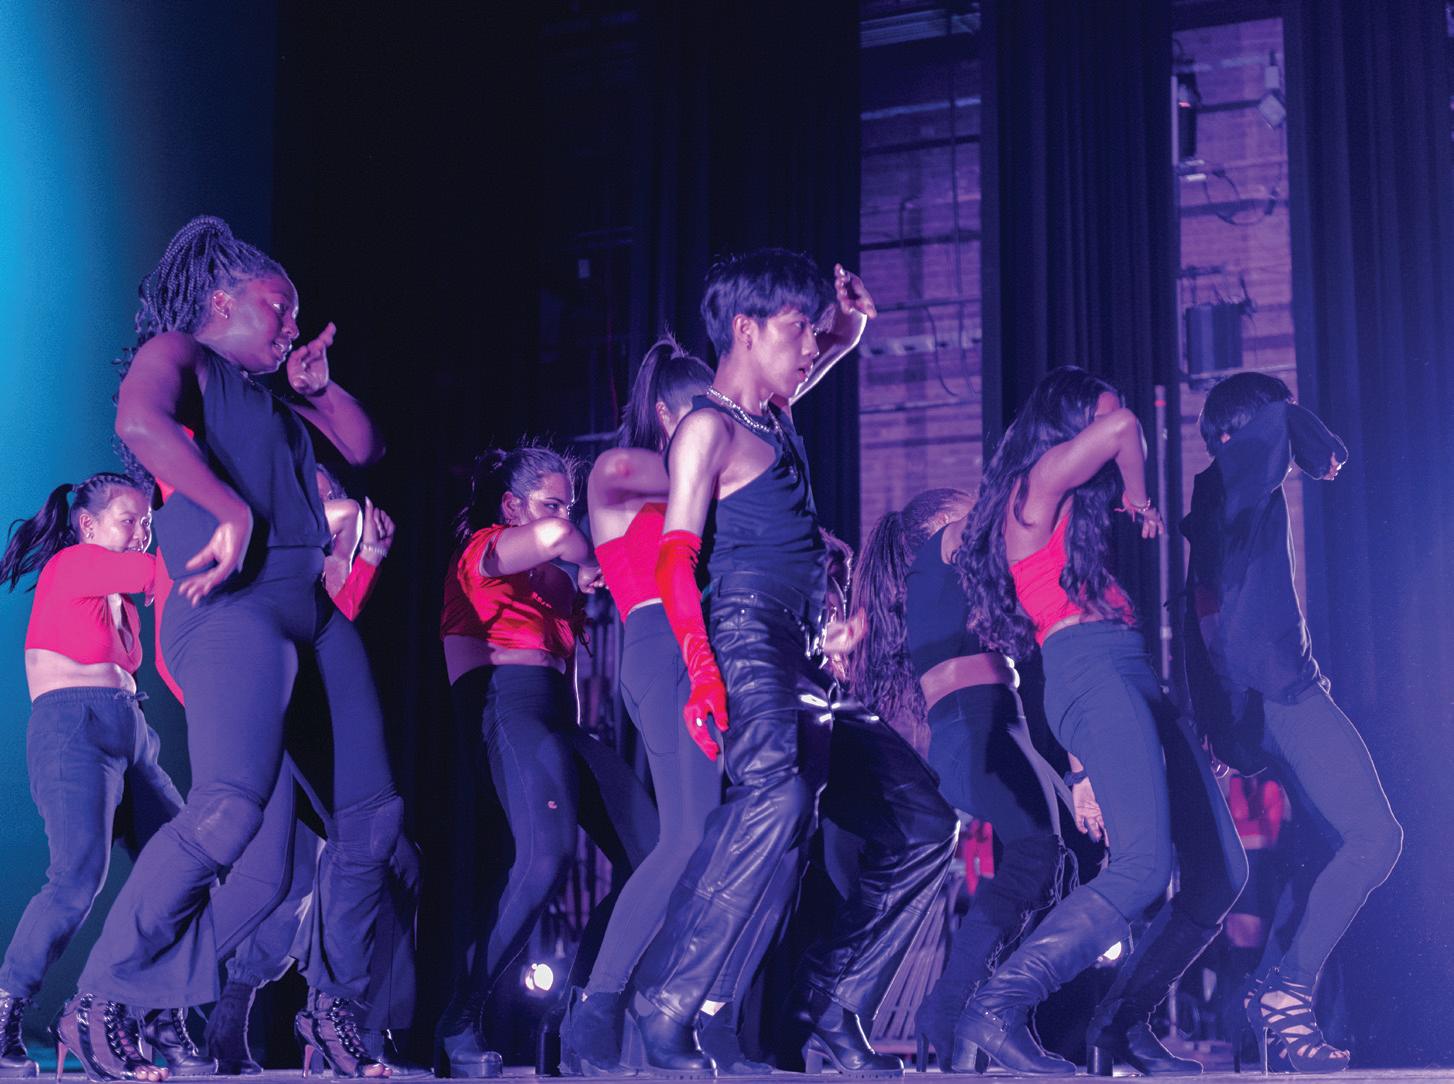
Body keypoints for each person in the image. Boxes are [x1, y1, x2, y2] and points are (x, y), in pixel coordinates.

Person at [64, 215, 401, 1081]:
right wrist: (228, 508)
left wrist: (319, 387)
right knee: (226, 810)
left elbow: (365, 446)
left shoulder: (280, 403)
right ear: (222, 301)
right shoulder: (181, 355)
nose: (293, 325)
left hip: (308, 611)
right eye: (279, 308)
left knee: (359, 825)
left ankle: (332, 1009)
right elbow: (139, 422)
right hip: (230, 609)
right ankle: (103, 996)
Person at [630, 249, 941, 1077]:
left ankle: (828, 1009)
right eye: (798, 329)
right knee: (777, 794)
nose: (811, 346)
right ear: (746, 329)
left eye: (812, 331)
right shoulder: (708, 429)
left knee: (924, 823)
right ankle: (664, 1005)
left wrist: (852, 320)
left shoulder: (773, 416)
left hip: (803, 650)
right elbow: (673, 558)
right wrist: (702, 669)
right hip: (743, 636)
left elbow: (829, 350)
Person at [951, 367, 1247, 1076]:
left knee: (1219, 872)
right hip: (1091, 670)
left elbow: (1117, 430)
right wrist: (1140, 499)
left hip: (1129, 672)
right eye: (1094, 418)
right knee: (1143, 870)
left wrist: (1084, 771)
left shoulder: (1069, 514)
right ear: (1065, 424)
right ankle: (997, 1005)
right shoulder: (1033, 486)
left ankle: (1119, 1026)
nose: (1107, 435)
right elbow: (1124, 429)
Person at [1182, 372, 1400, 1073]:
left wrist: (1220, 718)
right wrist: (1314, 445)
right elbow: (1290, 426)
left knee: (1326, 848)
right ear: (1243, 434)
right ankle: (1288, 989)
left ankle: (1272, 986)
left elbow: (1204, 615)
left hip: (1257, 702)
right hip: (1283, 692)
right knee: (1376, 838)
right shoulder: (1236, 474)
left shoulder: (1217, 497)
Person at [436, 441, 657, 1079]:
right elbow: (562, 538)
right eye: (549, 503)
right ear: (512, 507)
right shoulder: (485, 548)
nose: (562, 515)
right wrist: (588, 555)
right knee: (545, 861)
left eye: (566, 502)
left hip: (562, 719)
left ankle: (574, 1018)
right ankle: (459, 1020)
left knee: (654, 855)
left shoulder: (555, 577)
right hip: (508, 709)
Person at [198, 476, 422, 1077]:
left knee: (325, 878)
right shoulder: (273, 548)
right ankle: (142, 993)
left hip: (316, 728)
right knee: (278, 880)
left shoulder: (321, 562)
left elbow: (336, 620)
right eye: (308, 487)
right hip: (273, 722)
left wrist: (366, 559)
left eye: (326, 488)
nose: (321, 499)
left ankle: (342, 1020)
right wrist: (362, 550)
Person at [850, 489, 1066, 1071]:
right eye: (966, 512)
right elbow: (996, 519)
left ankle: (968, 1010)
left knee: (1045, 866)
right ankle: (956, 1008)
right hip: (975, 724)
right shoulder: (938, 552)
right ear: (945, 524)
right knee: (1036, 857)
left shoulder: (955, 583)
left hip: (995, 719)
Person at [0, 473, 207, 1080]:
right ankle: (7, 1006)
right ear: (88, 525)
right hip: (74, 727)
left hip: (131, 731)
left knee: (185, 866)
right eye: (130, 520)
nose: (143, 531)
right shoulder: (73, 564)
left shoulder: (119, 596)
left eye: (148, 521)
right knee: (76, 879)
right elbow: (162, 571)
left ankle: (160, 1016)